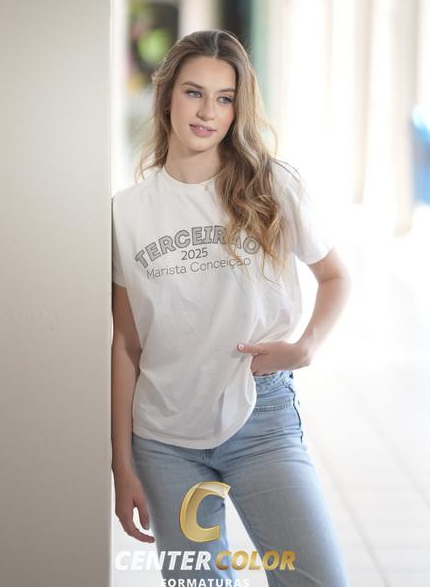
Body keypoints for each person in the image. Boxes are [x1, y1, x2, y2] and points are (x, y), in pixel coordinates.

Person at [111, 29, 351, 587]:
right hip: (163, 439)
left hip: (260, 418)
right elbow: (126, 344)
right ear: (167, 95)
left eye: (224, 98)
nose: (208, 112)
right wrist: (121, 464)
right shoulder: (126, 213)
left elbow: (335, 276)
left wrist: (306, 346)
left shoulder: (272, 185)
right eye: (194, 93)